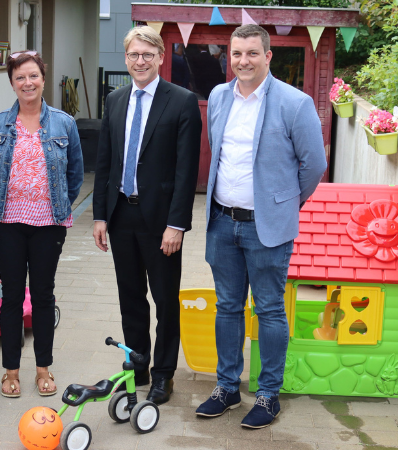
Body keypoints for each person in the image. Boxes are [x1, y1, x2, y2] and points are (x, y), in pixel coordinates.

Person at [195, 24, 327, 429]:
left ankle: (269, 394)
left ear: (268, 56)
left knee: (269, 310)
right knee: (227, 308)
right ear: (228, 57)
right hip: (221, 221)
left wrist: (282, 205)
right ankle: (227, 387)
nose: (243, 61)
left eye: (252, 53)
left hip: (265, 228)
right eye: (236, 54)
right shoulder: (219, 96)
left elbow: (315, 165)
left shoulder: (295, 102)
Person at [93, 26, 202, 405]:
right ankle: (137, 366)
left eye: (147, 55)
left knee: (165, 300)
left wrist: (178, 225)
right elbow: (104, 162)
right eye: (133, 55)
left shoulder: (182, 101)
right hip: (122, 215)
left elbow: (187, 171)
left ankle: (163, 374)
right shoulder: (115, 100)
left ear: (159, 58)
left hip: (161, 223)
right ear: (126, 59)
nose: (140, 61)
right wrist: (100, 216)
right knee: (130, 298)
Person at [0, 51, 83, 398]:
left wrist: (57, 206)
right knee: (11, 296)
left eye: (33, 76)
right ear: (12, 83)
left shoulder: (64, 124)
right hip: (6, 222)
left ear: (43, 79)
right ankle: (10, 371)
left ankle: (43, 368)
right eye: (20, 78)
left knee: (42, 295)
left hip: (48, 224)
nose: (27, 83)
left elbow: (75, 174)